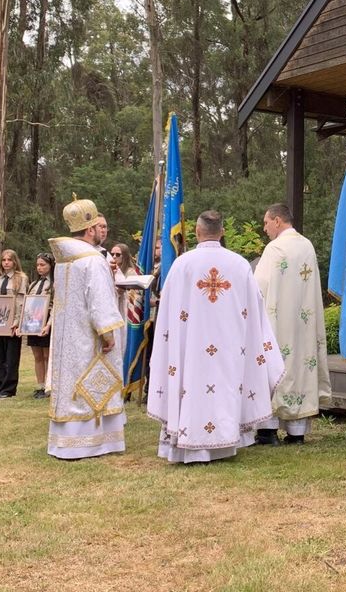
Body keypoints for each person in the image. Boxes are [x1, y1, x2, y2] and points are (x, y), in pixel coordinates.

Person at [147, 210, 285, 463]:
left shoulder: (182, 264)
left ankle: (188, 444)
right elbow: (256, 311)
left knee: (191, 388)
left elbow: (166, 311)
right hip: (228, 347)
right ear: (221, 233)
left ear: (197, 232)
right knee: (225, 388)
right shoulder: (239, 264)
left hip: (189, 349)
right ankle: (224, 443)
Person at [46, 198, 126, 460]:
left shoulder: (63, 261)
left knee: (73, 385)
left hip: (67, 336)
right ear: (90, 229)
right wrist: (108, 333)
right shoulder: (93, 260)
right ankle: (92, 442)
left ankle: (66, 442)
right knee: (93, 386)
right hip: (89, 336)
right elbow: (99, 300)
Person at [253, 204, 331, 445]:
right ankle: (297, 432)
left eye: (266, 222)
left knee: (272, 367)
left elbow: (258, 287)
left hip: (276, 323)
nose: (265, 228)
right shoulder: (307, 245)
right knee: (300, 367)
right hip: (303, 323)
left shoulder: (274, 248)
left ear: (277, 221)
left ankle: (267, 430)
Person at [0, 249, 27, 400]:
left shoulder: (21, 278)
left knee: (10, 357)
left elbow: (21, 302)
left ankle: (8, 389)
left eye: (9, 260)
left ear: (15, 262)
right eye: (4, 260)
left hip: (11, 324)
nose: (6, 262)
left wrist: (16, 322)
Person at [26, 252, 55, 399]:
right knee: (37, 355)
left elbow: (56, 305)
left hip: (46, 321)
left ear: (50, 266)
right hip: (33, 322)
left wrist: (49, 324)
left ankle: (49, 385)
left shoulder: (54, 285)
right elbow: (28, 304)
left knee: (46, 355)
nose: (39, 268)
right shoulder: (33, 284)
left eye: (43, 265)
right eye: (37, 265)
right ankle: (40, 385)